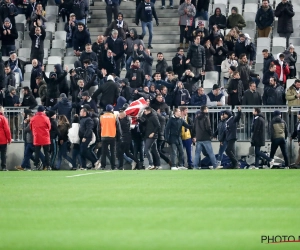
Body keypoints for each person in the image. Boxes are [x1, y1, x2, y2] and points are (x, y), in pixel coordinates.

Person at [192, 105, 220, 170]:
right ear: (204, 110)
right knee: (210, 152)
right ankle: (215, 165)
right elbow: (208, 127)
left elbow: (193, 128)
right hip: (205, 138)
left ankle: (195, 166)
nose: (207, 110)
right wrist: (211, 135)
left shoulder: (196, 118)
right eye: (207, 109)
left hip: (199, 138)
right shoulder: (206, 117)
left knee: (197, 153)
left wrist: (195, 135)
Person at [98, 105, 120, 170]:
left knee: (103, 152)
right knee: (113, 152)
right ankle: (113, 166)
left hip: (104, 136)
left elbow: (98, 129)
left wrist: (99, 137)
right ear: (111, 110)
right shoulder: (114, 116)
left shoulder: (101, 117)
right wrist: (118, 137)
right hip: (112, 136)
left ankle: (103, 166)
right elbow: (118, 128)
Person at [30, 105, 51, 170]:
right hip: (45, 137)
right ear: (43, 111)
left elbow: (31, 127)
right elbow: (49, 127)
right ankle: (48, 166)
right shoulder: (46, 118)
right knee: (46, 153)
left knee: (37, 153)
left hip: (37, 138)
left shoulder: (33, 118)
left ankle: (36, 165)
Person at [0, 106, 11, 171]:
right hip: (2, 140)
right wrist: (9, 139)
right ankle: (3, 167)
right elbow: (7, 130)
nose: (3, 111)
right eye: (3, 110)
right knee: (3, 154)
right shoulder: (3, 118)